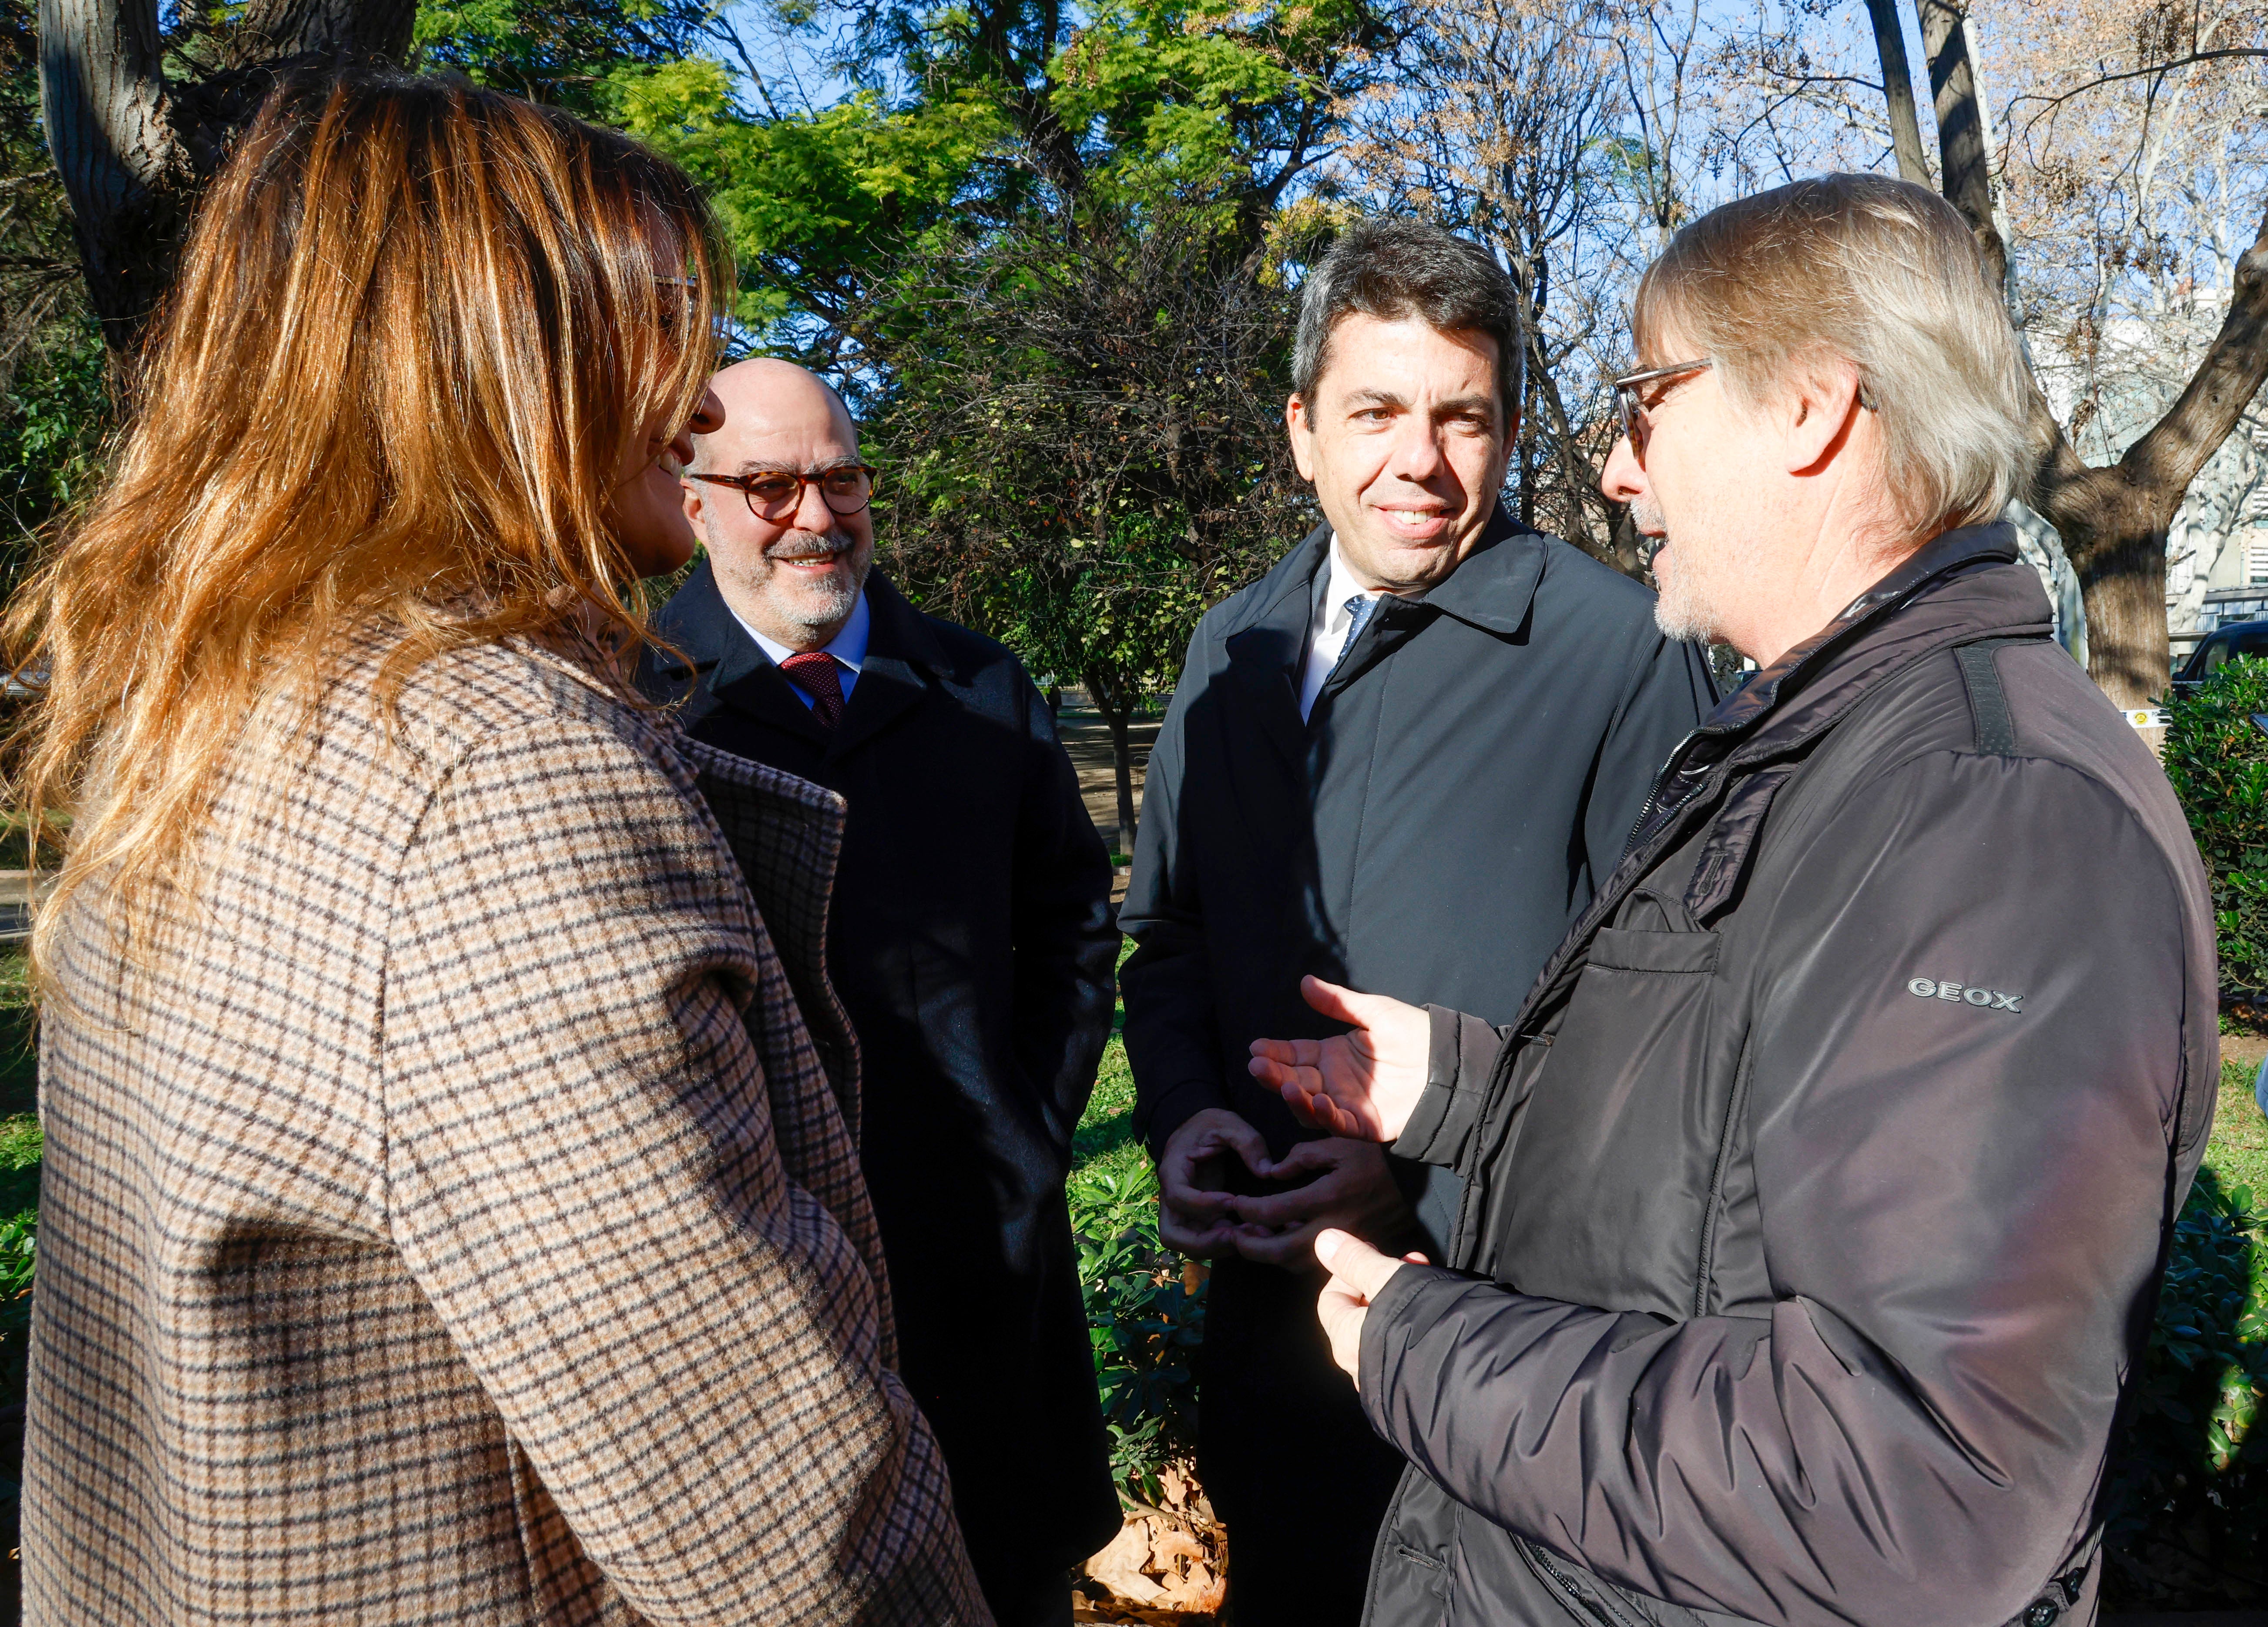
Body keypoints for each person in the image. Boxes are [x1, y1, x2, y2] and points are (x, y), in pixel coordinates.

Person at [10, 72, 986, 1624]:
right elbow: (780, 1532)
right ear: (475, 362)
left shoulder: (219, 707)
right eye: (650, 314)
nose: (697, 384)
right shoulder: (489, 781)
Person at [1249, 175, 2218, 1627]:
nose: (1617, 469)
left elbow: (1911, 1480)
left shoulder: (1986, 814)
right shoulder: (1821, 737)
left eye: (1647, 399)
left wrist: (1427, 1345)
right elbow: (1730, 1162)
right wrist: (1464, 1088)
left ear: (1811, 409)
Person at [1117, 218, 1716, 1624]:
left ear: (1508, 433)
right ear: (1301, 430)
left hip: (1501, 1334)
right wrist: (1187, 1116)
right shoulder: (1231, 648)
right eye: (1375, 411)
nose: (1420, 460)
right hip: (1267, 1319)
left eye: (1464, 417)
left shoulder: (1618, 653)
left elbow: (1678, 1031)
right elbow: (1173, 939)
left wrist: (1423, 1177)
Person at [640, 359, 1120, 1626]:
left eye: (840, 475)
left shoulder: (982, 688)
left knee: (1008, 1571)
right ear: (691, 503)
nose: (815, 513)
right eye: (769, 484)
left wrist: (1028, 1126)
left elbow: (1073, 917)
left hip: (983, 1264)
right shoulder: (632, 706)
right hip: (750, 1288)